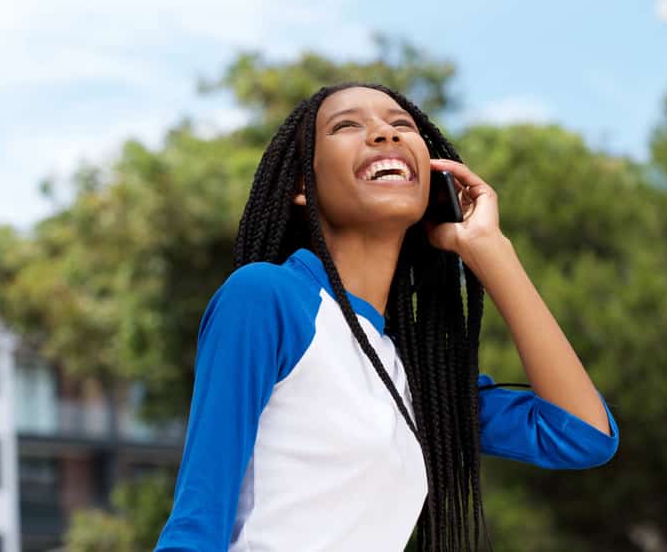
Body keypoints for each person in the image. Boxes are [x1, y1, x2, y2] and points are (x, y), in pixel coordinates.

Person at [153, 83, 619, 552]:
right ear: (300, 185)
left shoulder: (417, 376)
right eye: (346, 125)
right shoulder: (267, 298)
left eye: (402, 126)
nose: (384, 134)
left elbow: (580, 436)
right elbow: (197, 523)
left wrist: (491, 252)